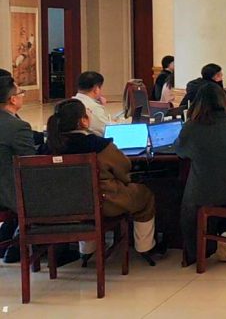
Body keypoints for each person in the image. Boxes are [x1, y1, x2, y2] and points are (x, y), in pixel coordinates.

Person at [41, 98, 162, 265]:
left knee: (82, 199)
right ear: (83, 121)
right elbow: (124, 167)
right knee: (145, 196)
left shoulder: (46, 149)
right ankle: (145, 247)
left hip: (60, 206)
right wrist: (124, 179)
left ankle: (87, 250)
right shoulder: (97, 145)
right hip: (103, 202)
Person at [176, 84, 226, 266]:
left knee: (190, 193)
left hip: (205, 194)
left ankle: (202, 249)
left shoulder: (191, 128)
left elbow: (180, 151)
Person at [0, 77, 35, 263]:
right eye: (21, 93)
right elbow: (30, 164)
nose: (22, 96)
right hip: (9, 193)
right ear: (12, 99)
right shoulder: (17, 127)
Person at [73, 71, 120, 137]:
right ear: (96, 89)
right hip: (88, 141)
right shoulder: (94, 107)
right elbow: (108, 130)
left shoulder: (71, 102)